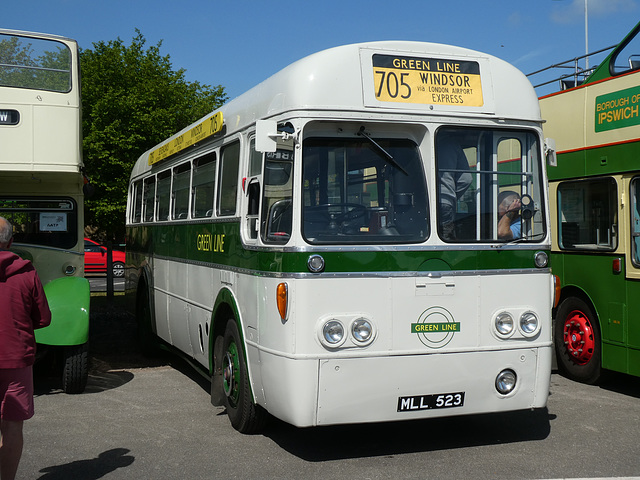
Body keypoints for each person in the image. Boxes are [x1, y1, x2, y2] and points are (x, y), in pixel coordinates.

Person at [0, 216, 51, 480]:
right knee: (12, 426)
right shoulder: (26, 272)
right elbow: (43, 318)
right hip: (16, 359)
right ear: (10, 242)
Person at [437, 136, 472, 240]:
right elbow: (466, 179)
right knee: (446, 237)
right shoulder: (452, 144)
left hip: (419, 203)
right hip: (446, 201)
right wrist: (451, 195)